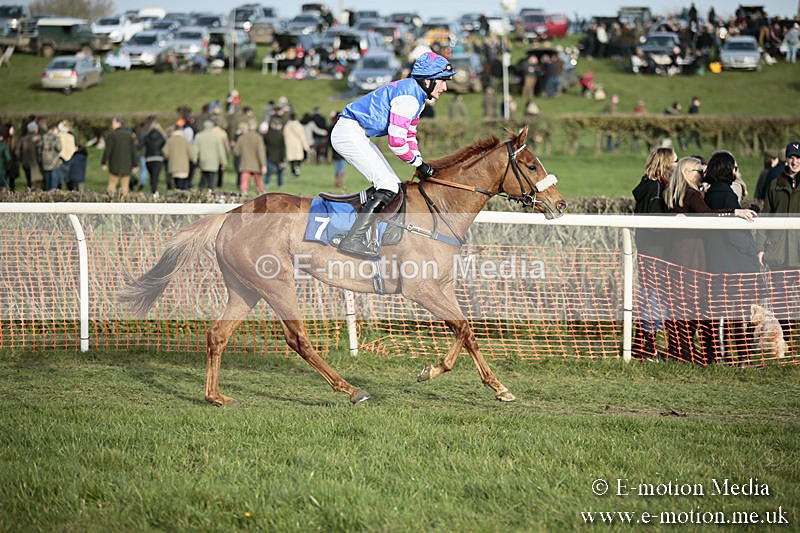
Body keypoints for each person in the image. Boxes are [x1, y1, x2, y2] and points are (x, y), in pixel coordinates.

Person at [330, 51, 455, 258]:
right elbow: (396, 142)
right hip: (348, 132)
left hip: (356, 132)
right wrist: (418, 164)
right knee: (387, 185)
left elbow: (409, 135)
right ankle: (352, 239)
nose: (445, 87)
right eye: (442, 81)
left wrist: (420, 161)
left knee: (392, 185)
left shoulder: (417, 97)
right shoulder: (409, 98)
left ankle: (359, 231)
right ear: (427, 81)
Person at [662, 156, 756, 363]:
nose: (702, 174)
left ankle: (684, 353)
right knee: (700, 311)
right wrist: (734, 212)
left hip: (678, 259)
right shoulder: (693, 195)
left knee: (683, 311)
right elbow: (709, 216)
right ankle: (705, 356)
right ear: (687, 173)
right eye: (698, 170)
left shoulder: (672, 194)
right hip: (695, 261)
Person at [703, 150, 760, 364]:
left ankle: (729, 355)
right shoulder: (726, 194)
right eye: (735, 167)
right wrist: (750, 248)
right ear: (727, 170)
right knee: (738, 315)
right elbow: (736, 234)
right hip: (733, 264)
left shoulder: (712, 193)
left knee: (727, 314)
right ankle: (742, 357)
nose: (737, 171)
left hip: (720, 261)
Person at [631, 147, 676, 360]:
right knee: (654, 297)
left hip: (648, 249)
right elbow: (655, 224)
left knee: (650, 296)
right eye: (674, 162)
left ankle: (644, 344)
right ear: (666, 164)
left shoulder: (647, 185)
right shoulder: (656, 189)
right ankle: (646, 346)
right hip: (656, 251)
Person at [756, 141, 800, 351]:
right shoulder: (775, 184)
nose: (795, 161)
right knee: (780, 298)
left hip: (798, 251)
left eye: (798, 158)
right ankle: (785, 340)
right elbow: (765, 218)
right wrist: (760, 247)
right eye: (792, 157)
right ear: (786, 159)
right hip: (779, 253)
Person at [101, 117, 138, 196]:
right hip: (127, 165)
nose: (112, 125)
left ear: (118, 124)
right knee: (125, 187)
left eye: (113, 123)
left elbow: (108, 150)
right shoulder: (129, 136)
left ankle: (110, 201)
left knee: (112, 185)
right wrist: (135, 165)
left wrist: (104, 162)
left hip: (114, 164)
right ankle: (124, 203)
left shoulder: (112, 135)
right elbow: (133, 151)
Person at [193, 119, 228, 191]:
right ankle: (210, 192)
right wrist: (223, 162)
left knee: (203, 177)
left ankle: (201, 192)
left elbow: (195, 150)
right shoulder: (217, 137)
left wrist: (194, 160)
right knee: (212, 179)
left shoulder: (198, 136)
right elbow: (220, 151)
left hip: (203, 160)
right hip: (214, 162)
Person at [234, 120, 267, 193]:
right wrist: (263, 165)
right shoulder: (258, 138)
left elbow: (236, 152)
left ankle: (244, 197)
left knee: (244, 184)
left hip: (245, 164)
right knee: (258, 184)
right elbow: (261, 152)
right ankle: (261, 196)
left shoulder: (241, 138)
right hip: (256, 165)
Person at [162, 124, 195, 191]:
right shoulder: (185, 140)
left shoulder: (170, 140)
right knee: (184, 186)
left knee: (176, 186)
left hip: (173, 167)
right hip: (184, 167)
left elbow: (165, 153)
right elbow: (191, 154)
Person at [140, 116, 167, 196]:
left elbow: (141, 143)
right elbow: (166, 140)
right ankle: (154, 192)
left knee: (152, 176)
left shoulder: (147, 135)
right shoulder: (160, 135)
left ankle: (153, 190)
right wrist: (161, 130)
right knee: (156, 176)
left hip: (149, 158)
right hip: (158, 158)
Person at [16, 121, 41, 190]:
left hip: (25, 163)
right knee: (36, 182)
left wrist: (21, 160)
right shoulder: (38, 139)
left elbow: (17, 152)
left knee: (28, 180)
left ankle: (29, 191)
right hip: (36, 163)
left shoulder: (23, 139)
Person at [283, 112, 309, 177]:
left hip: (289, 144)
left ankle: (293, 171)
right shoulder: (299, 126)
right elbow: (302, 136)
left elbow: (284, 135)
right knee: (298, 158)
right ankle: (297, 168)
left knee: (291, 158)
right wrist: (306, 146)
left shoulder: (287, 126)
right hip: (298, 144)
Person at [40, 122, 62, 192]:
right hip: (54, 162)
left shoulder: (43, 137)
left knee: (47, 184)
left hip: (45, 162)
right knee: (53, 186)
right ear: (54, 129)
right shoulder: (56, 137)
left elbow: (39, 149)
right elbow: (59, 148)